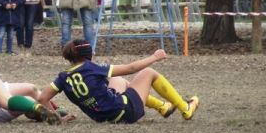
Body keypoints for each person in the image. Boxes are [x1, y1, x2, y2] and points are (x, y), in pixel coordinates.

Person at [38, 39, 200, 124]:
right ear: (88, 55)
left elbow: (43, 98)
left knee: (116, 79)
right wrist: (154, 57)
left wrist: (55, 119)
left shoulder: (63, 77)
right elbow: (130, 68)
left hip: (102, 118)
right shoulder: (91, 68)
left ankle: (162, 107)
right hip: (124, 111)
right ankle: (185, 108)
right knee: (149, 73)